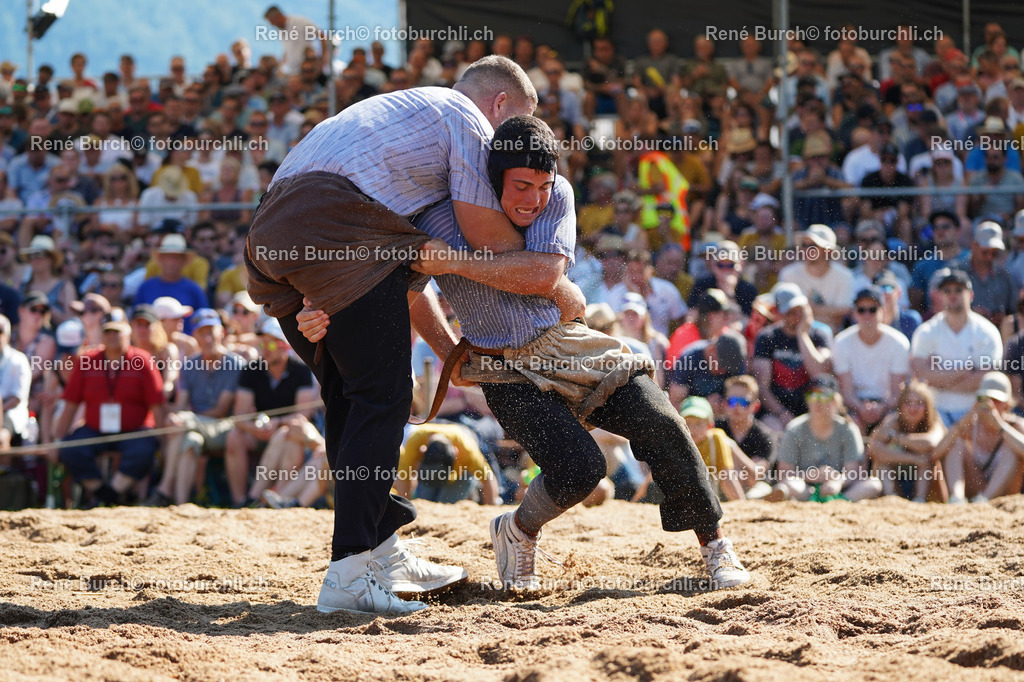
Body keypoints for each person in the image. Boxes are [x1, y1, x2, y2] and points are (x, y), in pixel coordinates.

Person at [299, 116, 751, 593]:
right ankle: (518, 531)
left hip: (568, 344)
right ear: (492, 182)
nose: (533, 199)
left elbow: (541, 275)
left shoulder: (559, 198)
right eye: (520, 186)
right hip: (499, 366)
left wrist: (455, 260)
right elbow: (406, 290)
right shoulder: (434, 215)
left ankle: (715, 547)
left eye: (542, 184)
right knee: (580, 470)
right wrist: (446, 350)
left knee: (662, 419)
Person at [245, 56, 548, 614]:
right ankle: (349, 571)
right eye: (514, 127)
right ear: (500, 104)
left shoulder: (403, 120)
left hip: (273, 235)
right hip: (336, 228)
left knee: (352, 399)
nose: (508, 146)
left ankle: (379, 551)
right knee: (381, 398)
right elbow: (489, 239)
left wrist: (445, 347)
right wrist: (551, 245)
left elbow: (408, 277)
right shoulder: (465, 116)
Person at [55, 315, 164, 507]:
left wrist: (164, 442)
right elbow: (71, 404)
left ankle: (111, 494)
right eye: (107, 332)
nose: (112, 336)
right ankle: (105, 495)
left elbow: (157, 404)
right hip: (95, 429)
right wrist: (58, 440)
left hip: (134, 430)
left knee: (145, 448)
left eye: (117, 331)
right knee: (72, 448)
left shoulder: (143, 361)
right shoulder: (87, 360)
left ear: (128, 332)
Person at [146, 309, 244, 506]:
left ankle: (164, 489)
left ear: (221, 332)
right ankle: (181, 504)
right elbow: (182, 402)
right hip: (193, 427)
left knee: (182, 426)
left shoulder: (236, 364)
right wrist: (173, 415)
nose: (207, 338)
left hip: (225, 429)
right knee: (190, 441)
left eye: (211, 331)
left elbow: (221, 411)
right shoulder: (189, 365)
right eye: (201, 332)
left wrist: (184, 419)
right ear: (195, 336)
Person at [910, 269, 1003, 426]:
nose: (952, 295)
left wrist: (938, 379)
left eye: (959, 290)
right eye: (947, 290)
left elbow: (986, 379)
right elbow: (920, 373)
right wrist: (967, 370)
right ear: (940, 296)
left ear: (971, 295)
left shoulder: (987, 332)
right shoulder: (926, 331)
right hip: (934, 412)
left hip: (975, 412)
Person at [768, 375, 882, 502]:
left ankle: (839, 502)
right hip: (806, 488)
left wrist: (837, 482)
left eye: (824, 396)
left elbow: (853, 472)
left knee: (873, 484)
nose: (817, 402)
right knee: (790, 484)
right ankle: (824, 501)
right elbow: (783, 473)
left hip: (839, 489)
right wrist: (811, 475)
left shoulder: (849, 429)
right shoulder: (794, 429)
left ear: (836, 401)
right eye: (812, 396)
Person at [931, 372, 1024, 503]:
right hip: (976, 490)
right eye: (984, 399)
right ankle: (957, 499)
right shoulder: (971, 426)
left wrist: (1000, 426)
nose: (989, 404)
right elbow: (936, 454)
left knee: (1013, 449)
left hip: (1005, 496)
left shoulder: (1016, 425)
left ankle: (985, 499)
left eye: (996, 400)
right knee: (956, 443)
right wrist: (964, 420)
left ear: (1006, 404)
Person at [752, 283, 833, 429]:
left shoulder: (819, 335)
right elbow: (762, 387)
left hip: (813, 408)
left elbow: (819, 372)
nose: (797, 316)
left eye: (800, 310)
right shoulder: (766, 337)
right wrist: (782, 414)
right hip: (777, 412)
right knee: (772, 427)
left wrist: (802, 334)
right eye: (791, 312)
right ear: (779, 313)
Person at [833, 287, 911, 434]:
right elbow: (847, 392)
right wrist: (861, 408)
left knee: (891, 424)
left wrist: (882, 407)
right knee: (852, 425)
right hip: (855, 405)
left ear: (883, 311)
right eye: (861, 310)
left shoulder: (899, 342)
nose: (867, 314)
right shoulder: (841, 342)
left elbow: (897, 392)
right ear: (854, 313)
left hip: (888, 406)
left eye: (873, 309)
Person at [866, 380, 947, 502]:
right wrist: (913, 459)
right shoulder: (893, 420)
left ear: (927, 406)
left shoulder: (934, 421)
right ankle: (891, 499)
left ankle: (920, 499)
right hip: (898, 478)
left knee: (927, 457)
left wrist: (896, 438)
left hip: (928, 482)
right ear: (900, 406)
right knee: (881, 462)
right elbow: (874, 448)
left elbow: (930, 443)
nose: (913, 408)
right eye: (908, 403)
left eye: (919, 403)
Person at [678, 397, 745, 501]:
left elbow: (727, 476)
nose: (692, 429)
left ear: (710, 425)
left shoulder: (715, 439)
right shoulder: (677, 441)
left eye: (698, 423)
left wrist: (741, 505)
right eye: (688, 423)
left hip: (708, 499)